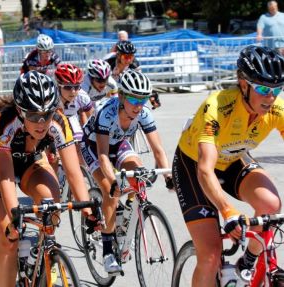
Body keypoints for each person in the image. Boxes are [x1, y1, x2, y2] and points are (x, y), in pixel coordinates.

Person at [171, 45, 284, 287]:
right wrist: (228, 211)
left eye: (277, 89)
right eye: (263, 89)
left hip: (233, 158)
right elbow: (205, 169)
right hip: (194, 165)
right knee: (211, 256)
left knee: (271, 205)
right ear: (243, 84)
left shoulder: (277, 109)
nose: (270, 97)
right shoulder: (218, 106)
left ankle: (248, 261)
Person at [0, 71, 100, 286]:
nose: (41, 123)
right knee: (10, 239)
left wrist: (88, 210)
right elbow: (5, 178)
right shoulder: (3, 122)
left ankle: (37, 259)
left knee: (51, 207)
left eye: (48, 114)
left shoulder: (59, 122)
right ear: (20, 111)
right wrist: (14, 218)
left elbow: (73, 172)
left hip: (30, 163)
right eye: (33, 116)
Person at [80, 69, 173, 274]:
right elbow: (103, 155)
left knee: (139, 176)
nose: (138, 105)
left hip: (119, 144)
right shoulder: (107, 112)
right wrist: (113, 182)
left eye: (143, 99)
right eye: (133, 99)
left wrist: (168, 176)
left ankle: (126, 216)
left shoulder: (144, 113)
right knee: (111, 191)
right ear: (121, 96)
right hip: (94, 147)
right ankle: (107, 252)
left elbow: (158, 150)